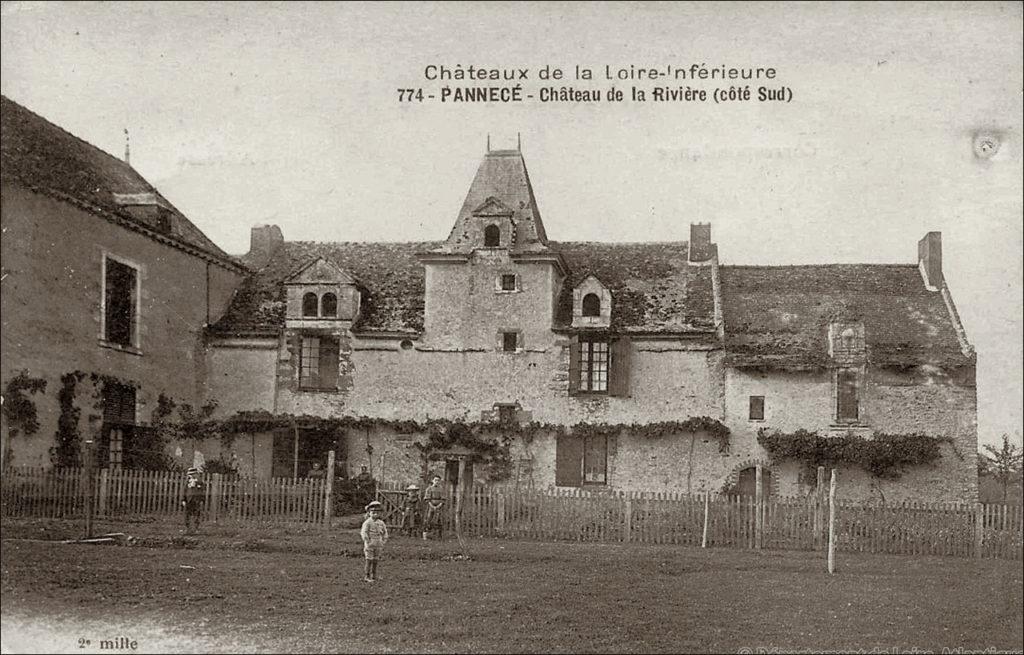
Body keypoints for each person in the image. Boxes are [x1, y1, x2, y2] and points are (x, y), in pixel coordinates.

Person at [360, 500, 389, 582]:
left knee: (376, 560)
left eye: (377, 512)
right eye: (373, 512)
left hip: (378, 543)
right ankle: (367, 575)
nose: (375, 514)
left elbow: (385, 532)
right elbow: (364, 532)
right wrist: (367, 541)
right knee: (369, 559)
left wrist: (383, 540)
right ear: (369, 513)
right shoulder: (367, 522)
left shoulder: (381, 523)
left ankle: (374, 575)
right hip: (370, 543)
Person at [181, 467, 205, 534]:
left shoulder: (199, 482)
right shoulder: (187, 481)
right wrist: (183, 499)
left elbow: (202, 491)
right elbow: (184, 490)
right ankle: (188, 529)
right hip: (188, 500)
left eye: (192, 474)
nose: (190, 476)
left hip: (196, 500)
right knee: (187, 515)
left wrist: (201, 500)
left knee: (196, 514)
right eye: (190, 474)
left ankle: (195, 529)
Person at [422, 475, 445, 540]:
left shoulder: (441, 489)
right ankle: (425, 536)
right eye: (435, 480)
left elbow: (443, 499)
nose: (437, 482)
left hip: (439, 507)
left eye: (438, 480)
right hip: (430, 506)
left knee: (439, 520)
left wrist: (438, 506)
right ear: (432, 481)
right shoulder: (429, 489)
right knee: (428, 519)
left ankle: (438, 536)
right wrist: (432, 506)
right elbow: (427, 499)